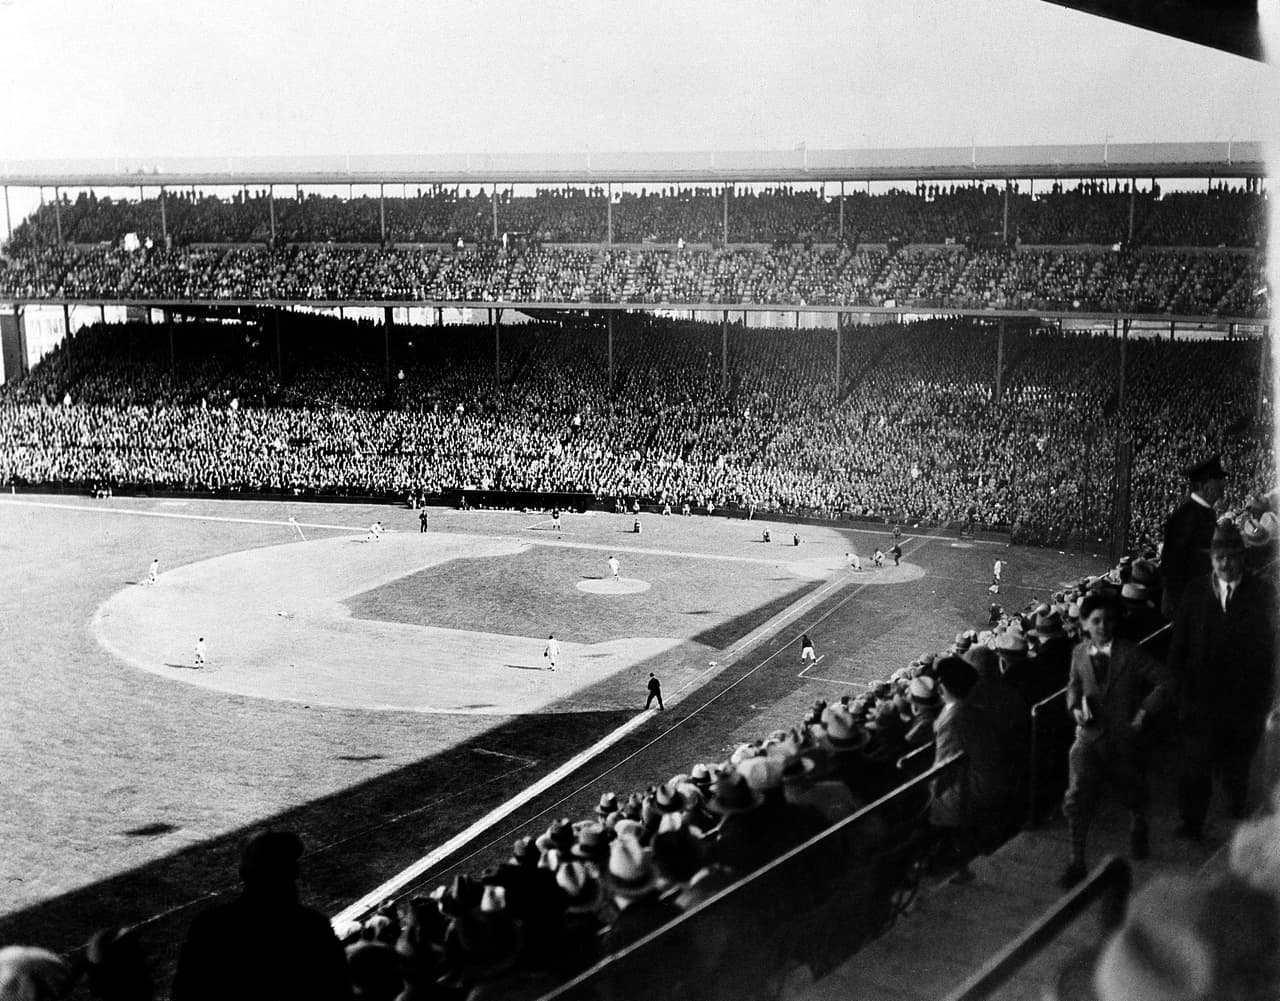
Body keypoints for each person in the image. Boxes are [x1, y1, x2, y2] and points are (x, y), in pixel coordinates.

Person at [1059, 593, 1174, 889]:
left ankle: (1138, 823)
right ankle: (1076, 861)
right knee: (1077, 797)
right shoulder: (1078, 653)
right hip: (1088, 738)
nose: (1103, 626)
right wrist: (1074, 708)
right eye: (1096, 620)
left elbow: (1165, 680)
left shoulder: (1129, 653)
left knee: (1132, 791)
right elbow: (1073, 686)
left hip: (1123, 737)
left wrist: (1143, 712)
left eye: (1108, 620)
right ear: (1084, 624)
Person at [1169, 521, 1276, 839]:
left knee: (1237, 759)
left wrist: (1264, 698)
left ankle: (1236, 800)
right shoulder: (1195, 592)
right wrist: (1178, 691)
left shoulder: (1262, 593)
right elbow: (1179, 646)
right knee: (1195, 766)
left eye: (1231, 556)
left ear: (1243, 557)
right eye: (1219, 557)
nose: (1225, 564)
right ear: (1211, 559)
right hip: (1199, 700)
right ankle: (1192, 823)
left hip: (1243, 701)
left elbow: (1270, 649)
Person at [171, 830, 352, 1001]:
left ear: (242, 872)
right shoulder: (313, 927)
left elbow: (184, 992)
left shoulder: (209, 925)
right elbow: (339, 991)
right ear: (294, 872)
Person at [1161, 455, 1225, 618]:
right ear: (1203, 486)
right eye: (1218, 479)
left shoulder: (1203, 513)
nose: (1223, 484)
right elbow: (1172, 566)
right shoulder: (1185, 517)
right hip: (1190, 605)